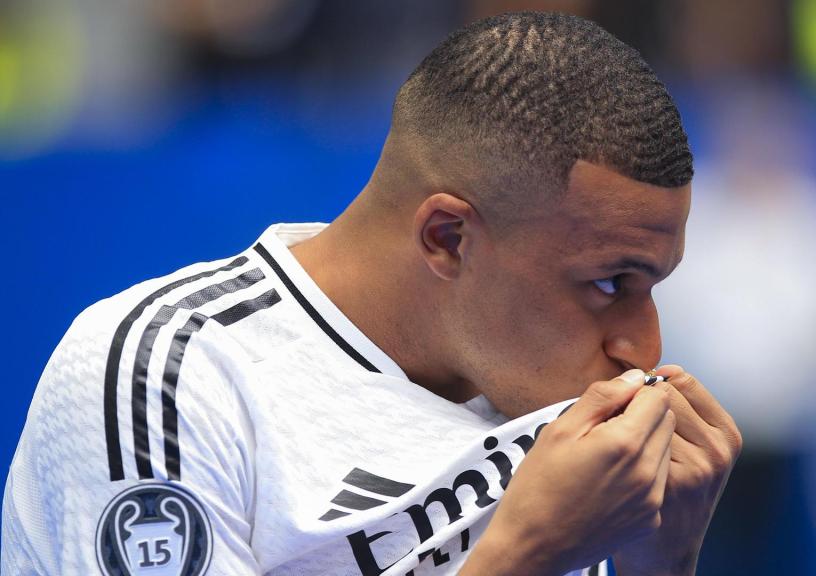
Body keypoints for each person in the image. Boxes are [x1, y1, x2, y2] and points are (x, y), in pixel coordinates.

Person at [2, 11, 741, 576]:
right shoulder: (167, 375)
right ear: (448, 238)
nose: (641, 345)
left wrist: (656, 560)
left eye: (651, 288)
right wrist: (522, 554)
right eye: (609, 283)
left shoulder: (542, 405)